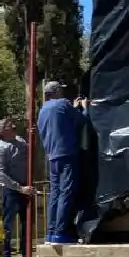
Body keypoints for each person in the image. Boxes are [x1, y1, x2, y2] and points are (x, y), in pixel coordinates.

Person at [37, 81, 87, 245]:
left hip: (52, 156)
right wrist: (83, 107)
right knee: (66, 192)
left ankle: (51, 233)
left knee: (55, 193)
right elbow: (81, 120)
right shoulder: (63, 104)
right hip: (67, 153)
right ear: (57, 92)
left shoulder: (42, 110)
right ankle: (60, 232)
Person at [0, 117, 32, 257]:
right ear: (2, 131)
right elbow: (0, 174)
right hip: (12, 191)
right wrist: (19, 188)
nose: (14, 126)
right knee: (7, 226)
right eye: (9, 126)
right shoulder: (0, 148)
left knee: (26, 224)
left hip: (26, 188)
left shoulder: (20, 140)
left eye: (13, 124)